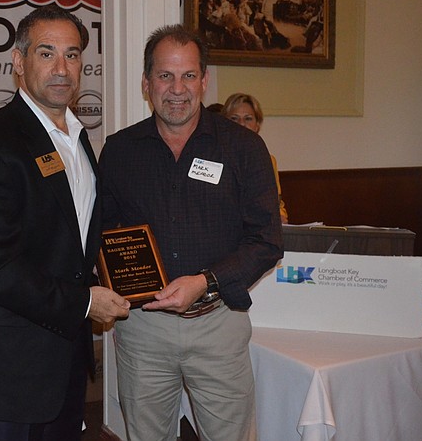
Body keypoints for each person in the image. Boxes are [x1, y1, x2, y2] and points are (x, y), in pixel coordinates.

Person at [0, 4, 131, 441]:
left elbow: (72, 239)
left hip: (65, 359)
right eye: (46, 53)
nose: (61, 69)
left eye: (72, 55)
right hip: (10, 365)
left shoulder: (79, 137)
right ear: (19, 62)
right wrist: (85, 303)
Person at [98, 24, 283, 441]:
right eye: (165, 75)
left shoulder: (244, 149)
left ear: (204, 80)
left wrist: (205, 281)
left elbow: (267, 240)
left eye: (187, 75)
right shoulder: (119, 151)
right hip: (143, 329)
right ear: (147, 84)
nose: (176, 88)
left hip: (218, 323)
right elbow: (103, 234)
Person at [222, 92, 289, 223]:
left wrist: (280, 216)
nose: (241, 124)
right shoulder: (213, 157)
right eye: (234, 118)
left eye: (248, 118)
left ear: (257, 125)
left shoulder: (268, 160)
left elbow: (277, 201)